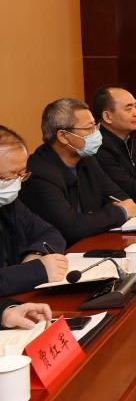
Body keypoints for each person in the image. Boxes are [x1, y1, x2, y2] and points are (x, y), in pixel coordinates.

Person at [20, 99, 136, 245]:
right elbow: (71, 228)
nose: (96, 133)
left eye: (95, 126)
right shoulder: (39, 173)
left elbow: (121, 198)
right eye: (89, 128)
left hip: (92, 242)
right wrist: (120, 213)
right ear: (63, 136)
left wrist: (95, 219)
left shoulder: (87, 160)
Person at [0, 126, 69, 295]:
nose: (16, 183)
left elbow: (51, 233)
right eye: (9, 176)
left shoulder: (10, 203)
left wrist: (36, 254)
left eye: (22, 174)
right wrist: (36, 271)